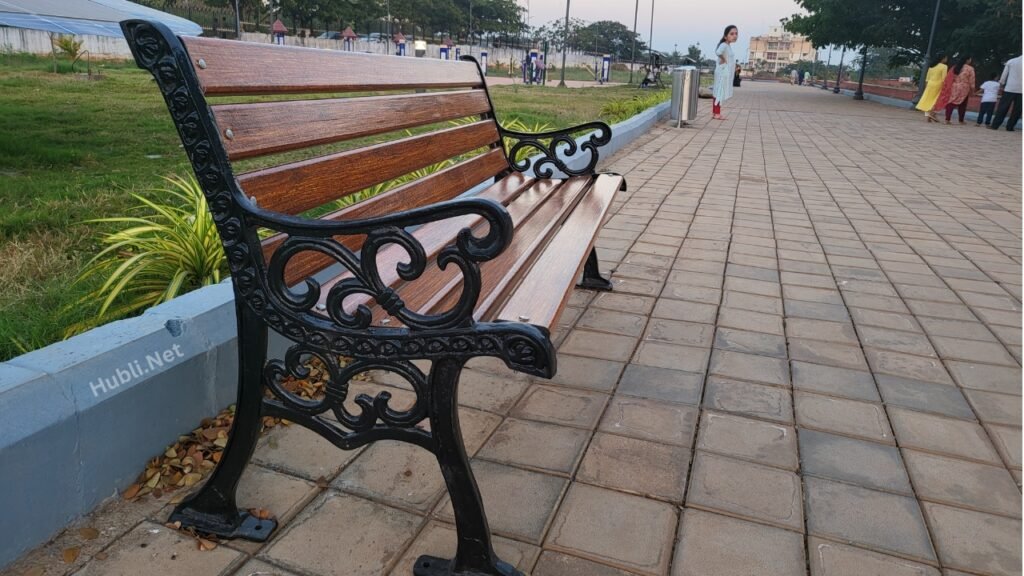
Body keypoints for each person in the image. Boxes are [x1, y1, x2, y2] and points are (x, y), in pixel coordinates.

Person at [712, 25, 738, 120]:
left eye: (736, 34)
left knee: (718, 91)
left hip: (724, 72)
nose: (734, 36)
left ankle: (716, 112)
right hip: (722, 73)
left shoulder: (728, 46)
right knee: (719, 91)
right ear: (725, 36)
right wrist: (723, 59)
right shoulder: (724, 45)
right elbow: (718, 52)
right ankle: (717, 113)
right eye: (731, 34)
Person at [990, 54, 1022, 131]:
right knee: (1017, 110)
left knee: (1003, 107)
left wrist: (1001, 84)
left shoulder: (1011, 61)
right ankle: (1010, 127)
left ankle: (995, 125)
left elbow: (1004, 75)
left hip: (1010, 88)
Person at [942, 56, 975, 124]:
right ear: (967, 60)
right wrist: (972, 90)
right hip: (964, 88)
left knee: (951, 102)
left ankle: (947, 119)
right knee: (963, 104)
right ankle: (961, 120)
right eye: (970, 59)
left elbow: (950, 77)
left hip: (955, 86)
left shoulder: (955, 67)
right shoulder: (970, 69)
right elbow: (972, 80)